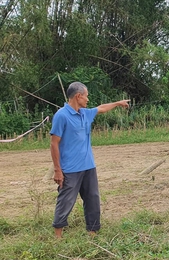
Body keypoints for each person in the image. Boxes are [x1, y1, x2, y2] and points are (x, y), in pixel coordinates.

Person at [50, 82, 130, 238]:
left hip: (88, 166)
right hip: (70, 169)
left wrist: (118, 103)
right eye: (86, 96)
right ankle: (57, 235)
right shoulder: (61, 115)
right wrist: (57, 170)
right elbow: (54, 143)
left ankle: (92, 232)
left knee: (92, 198)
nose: (87, 99)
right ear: (78, 96)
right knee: (66, 201)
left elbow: (101, 108)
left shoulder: (85, 113)